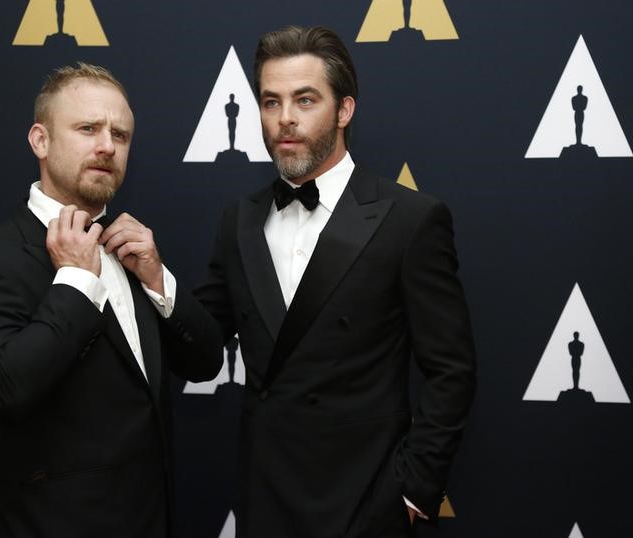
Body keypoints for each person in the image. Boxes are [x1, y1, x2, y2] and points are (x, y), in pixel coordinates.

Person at [194, 26, 476, 537]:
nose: (285, 120)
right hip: (266, 498)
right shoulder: (238, 220)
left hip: (365, 499)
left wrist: (412, 489)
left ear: (344, 110)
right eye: (271, 101)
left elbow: (451, 370)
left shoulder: (411, 218)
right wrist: (152, 278)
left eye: (305, 100)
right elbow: (200, 343)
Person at [0, 63, 222, 538]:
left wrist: (157, 278)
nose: (107, 146)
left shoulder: (134, 252)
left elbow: (206, 361)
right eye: (88, 128)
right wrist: (74, 278)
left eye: (121, 134)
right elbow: (7, 389)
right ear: (40, 140)